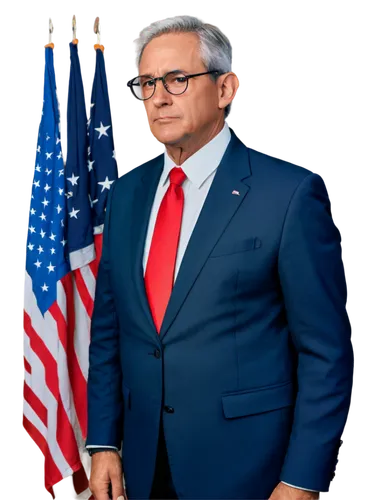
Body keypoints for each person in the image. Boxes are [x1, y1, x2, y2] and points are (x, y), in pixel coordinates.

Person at [85, 13, 354, 500]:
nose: (159, 97)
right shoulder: (126, 195)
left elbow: (326, 354)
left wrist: (302, 481)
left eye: (178, 79)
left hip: (252, 471)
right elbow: (109, 330)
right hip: (142, 467)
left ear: (227, 89)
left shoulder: (289, 195)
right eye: (147, 84)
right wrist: (102, 440)